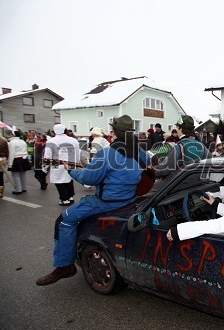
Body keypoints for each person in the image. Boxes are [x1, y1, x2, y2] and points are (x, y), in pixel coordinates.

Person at [36, 115, 149, 286]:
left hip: (106, 202)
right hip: (130, 200)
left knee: (64, 221)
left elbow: (89, 179)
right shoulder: (141, 153)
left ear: (114, 133)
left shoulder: (107, 154)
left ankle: (65, 266)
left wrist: (72, 170)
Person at [150, 115, 208, 192]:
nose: (177, 130)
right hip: (198, 180)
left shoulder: (179, 147)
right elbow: (209, 162)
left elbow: (166, 168)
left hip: (181, 182)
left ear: (181, 129)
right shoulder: (202, 146)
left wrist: (152, 169)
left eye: (177, 128)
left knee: (151, 189)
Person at [44, 124, 80, 205]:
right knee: (69, 179)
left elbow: (47, 155)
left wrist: (45, 167)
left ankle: (64, 199)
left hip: (57, 164)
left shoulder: (51, 141)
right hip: (70, 163)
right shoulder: (73, 140)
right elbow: (77, 153)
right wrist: (76, 163)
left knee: (60, 182)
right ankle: (70, 197)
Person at [8, 129, 31, 194]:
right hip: (24, 159)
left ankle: (18, 189)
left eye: (10, 133)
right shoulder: (23, 141)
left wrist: (10, 164)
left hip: (16, 159)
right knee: (22, 175)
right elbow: (26, 151)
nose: (9, 135)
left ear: (13, 135)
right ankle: (23, 188)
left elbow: (11, 153)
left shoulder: (12, 142)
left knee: (15, 175)